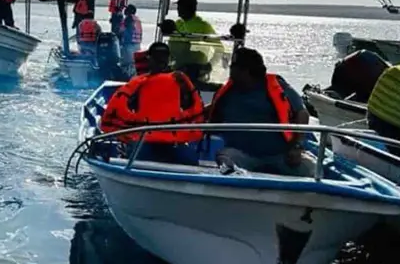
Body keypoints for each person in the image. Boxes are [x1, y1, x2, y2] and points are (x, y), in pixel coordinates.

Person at [206, 46, 314, 177]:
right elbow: (209, 113)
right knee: (225, 158)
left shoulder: (277, 86)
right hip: (243, 155)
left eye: (234, 67)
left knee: (310, 168)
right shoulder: (227, 92)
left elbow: (302, 113)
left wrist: (296, 146)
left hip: (280, 156)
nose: (231, 70)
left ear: (247, 70)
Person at [99, 42, 205, 164]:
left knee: (132, 156)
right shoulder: (180, 81)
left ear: (149, 60)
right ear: (168, 60)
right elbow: (194, 109)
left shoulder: (138, 84)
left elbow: (120, 109)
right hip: (172, 143)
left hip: (144, 143)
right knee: (191, 161)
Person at [118, 4, 142, 70]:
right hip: (137, 44)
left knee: (126, 64)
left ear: (129, 11)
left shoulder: (128, 18)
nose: (124, 10)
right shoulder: (137, 19)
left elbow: (121, 31)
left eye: (126, 9)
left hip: (128, 44)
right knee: (134, 64)